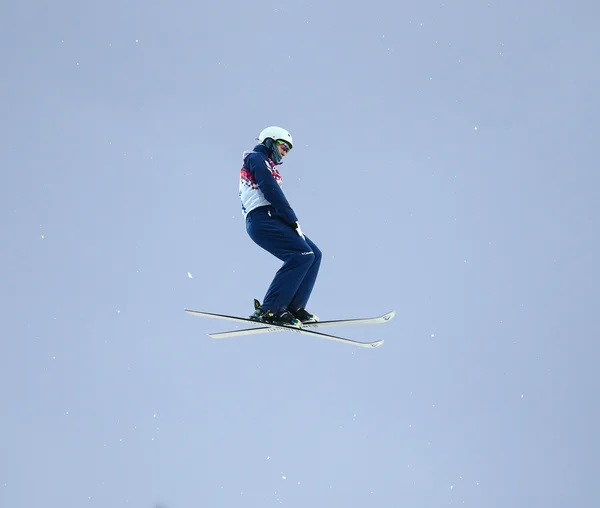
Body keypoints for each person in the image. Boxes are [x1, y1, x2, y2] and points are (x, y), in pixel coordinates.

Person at [239, 126, 322, 328]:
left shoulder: (265, 163)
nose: (285, 152)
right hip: (262, 218)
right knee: (301, 255)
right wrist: (290, 217)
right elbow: (270, 188)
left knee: (314, 254)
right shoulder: (256, 158)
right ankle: (271, 309)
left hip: (272, 217)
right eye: (283, 146)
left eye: (288, 150)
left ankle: (292, 307)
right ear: (269, 141)